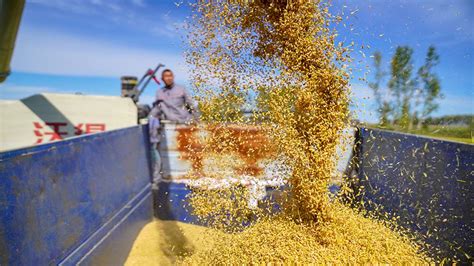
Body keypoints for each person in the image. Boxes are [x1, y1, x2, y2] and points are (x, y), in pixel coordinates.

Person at [148, 69, 198, 186]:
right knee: (171, 156)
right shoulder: (159, 92)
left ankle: (193, 176)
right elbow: (157, 109)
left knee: (189, 152)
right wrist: (151, 119)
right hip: (169, 126)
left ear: (173, 77)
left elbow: (191, 104)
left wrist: (197, 121)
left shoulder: (181, 89)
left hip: (184, 124)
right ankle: (164, 177)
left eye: (170, 76)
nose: (168, 78)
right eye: (166, 76)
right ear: (162, 79)